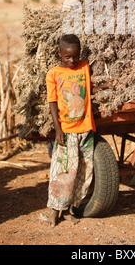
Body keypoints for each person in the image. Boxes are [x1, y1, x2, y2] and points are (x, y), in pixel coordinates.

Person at [45, 34, 111, 227]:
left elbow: (87, 90)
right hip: (67, 131)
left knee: (83, 171)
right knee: (62, 170)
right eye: (67, 57)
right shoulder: (54, 74)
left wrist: (104, 86)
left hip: (86, 129)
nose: (72, 60)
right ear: (59, 54)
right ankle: (54, 211)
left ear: (79, 54)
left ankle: (68, 210)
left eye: (74, 56)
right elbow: (52, 102)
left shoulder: (84, 67)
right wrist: (58, 130)